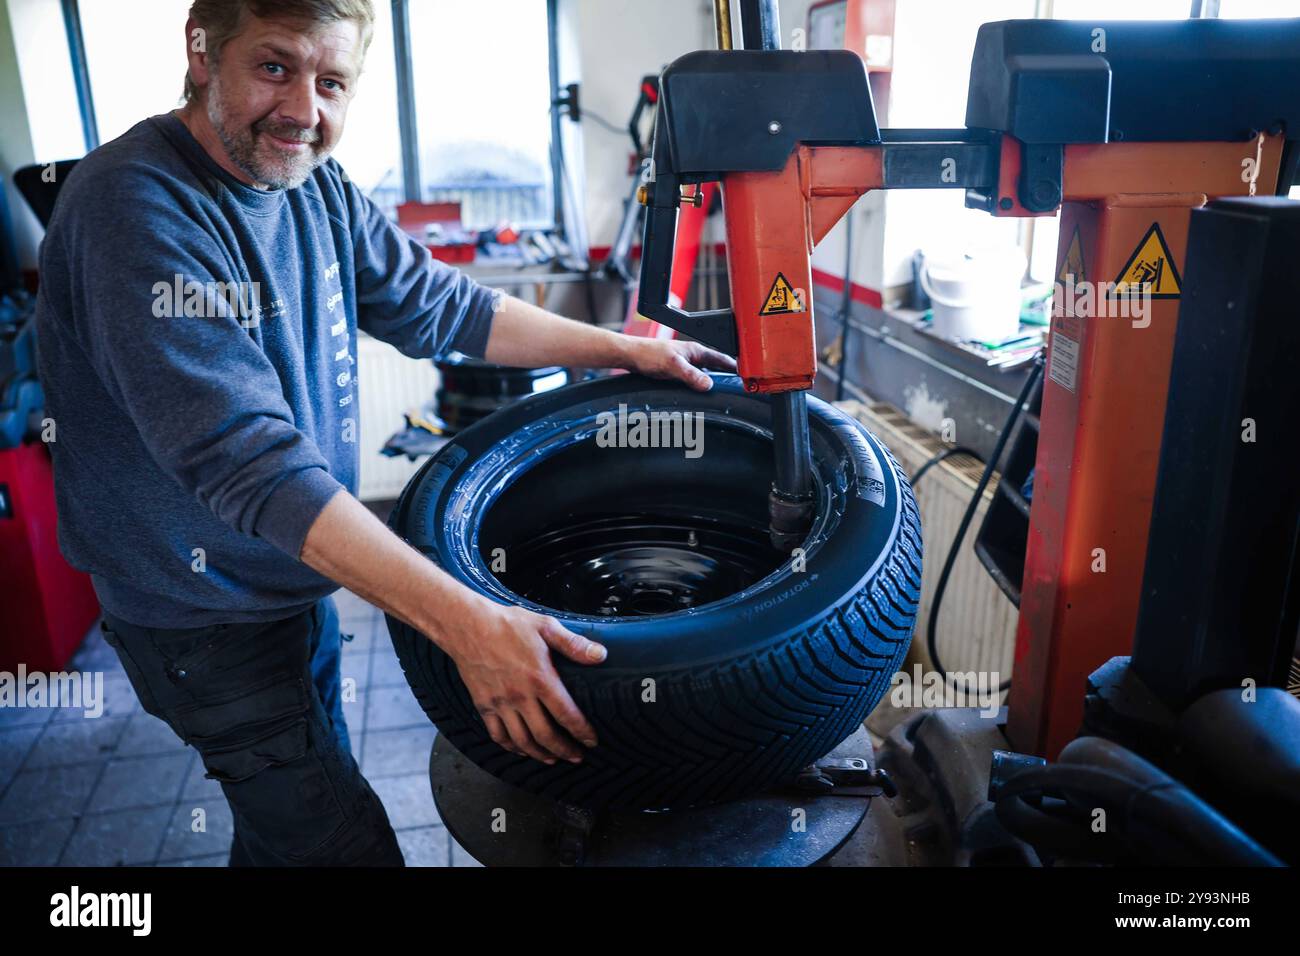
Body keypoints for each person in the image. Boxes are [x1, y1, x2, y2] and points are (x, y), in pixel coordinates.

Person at [34, 0, 733, 865]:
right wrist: (471, 628)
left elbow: (443, 305)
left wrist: (626, 350)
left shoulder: (309, 182)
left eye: (332, 82)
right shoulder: (134, 210)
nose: (304, 111)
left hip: (286, 582)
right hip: (200, 619)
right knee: (343, 849)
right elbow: (251, 465)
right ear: (203, 51)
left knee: (283, 831)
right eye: (275, 67)